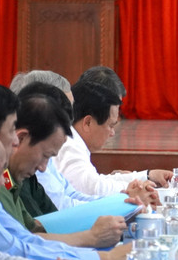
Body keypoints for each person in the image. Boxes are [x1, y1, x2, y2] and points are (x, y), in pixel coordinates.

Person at [0, 96, 131, 259]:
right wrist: (98, 248)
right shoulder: (5, 180)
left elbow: (27, 236)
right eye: (11, 131)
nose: (43, 168)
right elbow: (18, 247)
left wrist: (121, 202)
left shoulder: (14, 178)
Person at [9, 71, 156, 213]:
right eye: (65, 110)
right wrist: (124, 202)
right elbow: (62, 208)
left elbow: (72, 195)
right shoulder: (35, 160)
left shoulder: (41, 156)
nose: (72, 118)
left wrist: (123, 199)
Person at [54, 80, 171, 196]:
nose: (112, 133)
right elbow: (91, 189)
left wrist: (147, 176)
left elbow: (96, 181)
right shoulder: (69, 146)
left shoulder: (73, 140)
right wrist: (136, 189)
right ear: (88, 123)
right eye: (110, 126)